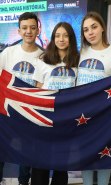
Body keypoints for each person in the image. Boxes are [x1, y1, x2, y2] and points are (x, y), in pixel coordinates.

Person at [0, 12, 44, 185]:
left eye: (32, 28)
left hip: (28, 112)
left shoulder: (43, 57)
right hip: (6, 110)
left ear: (38, 31)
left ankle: (23, 182)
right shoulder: (9, 52)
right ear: (19, 31)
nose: (29, 31)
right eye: (25, 28)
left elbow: (41, 86)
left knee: (25, 153)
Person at [77, 12, 111, 185]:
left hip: (106, 115)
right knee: (84, 155)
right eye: (86, 30)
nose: (90, 32)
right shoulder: (81, 52)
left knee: (104, 156)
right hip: (83, 114)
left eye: (94, 27)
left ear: (102, 28)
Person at [31, 22, 79, 185]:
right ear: (52, 38)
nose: (61, 39)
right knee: (40, 159)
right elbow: (37, 88)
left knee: (61, 161)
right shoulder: (43, 59)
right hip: (45, 115)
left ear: (71, 38)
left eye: (65, 35)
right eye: (57, 36)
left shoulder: (78, 60)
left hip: (67, 117)